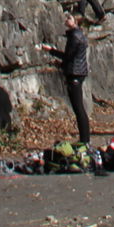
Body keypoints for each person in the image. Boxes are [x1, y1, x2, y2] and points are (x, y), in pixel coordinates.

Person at [40, 10, 91, 145]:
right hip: (78, 72)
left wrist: (50, 50)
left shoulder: (75, 36)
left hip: (75, 73)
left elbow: (68, 56)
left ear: (76, 21)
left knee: (78, 108)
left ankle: (85, 140)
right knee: (79, 108)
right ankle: (84, 139)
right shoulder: (78, 35)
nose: (66, 19)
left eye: (69, 18)